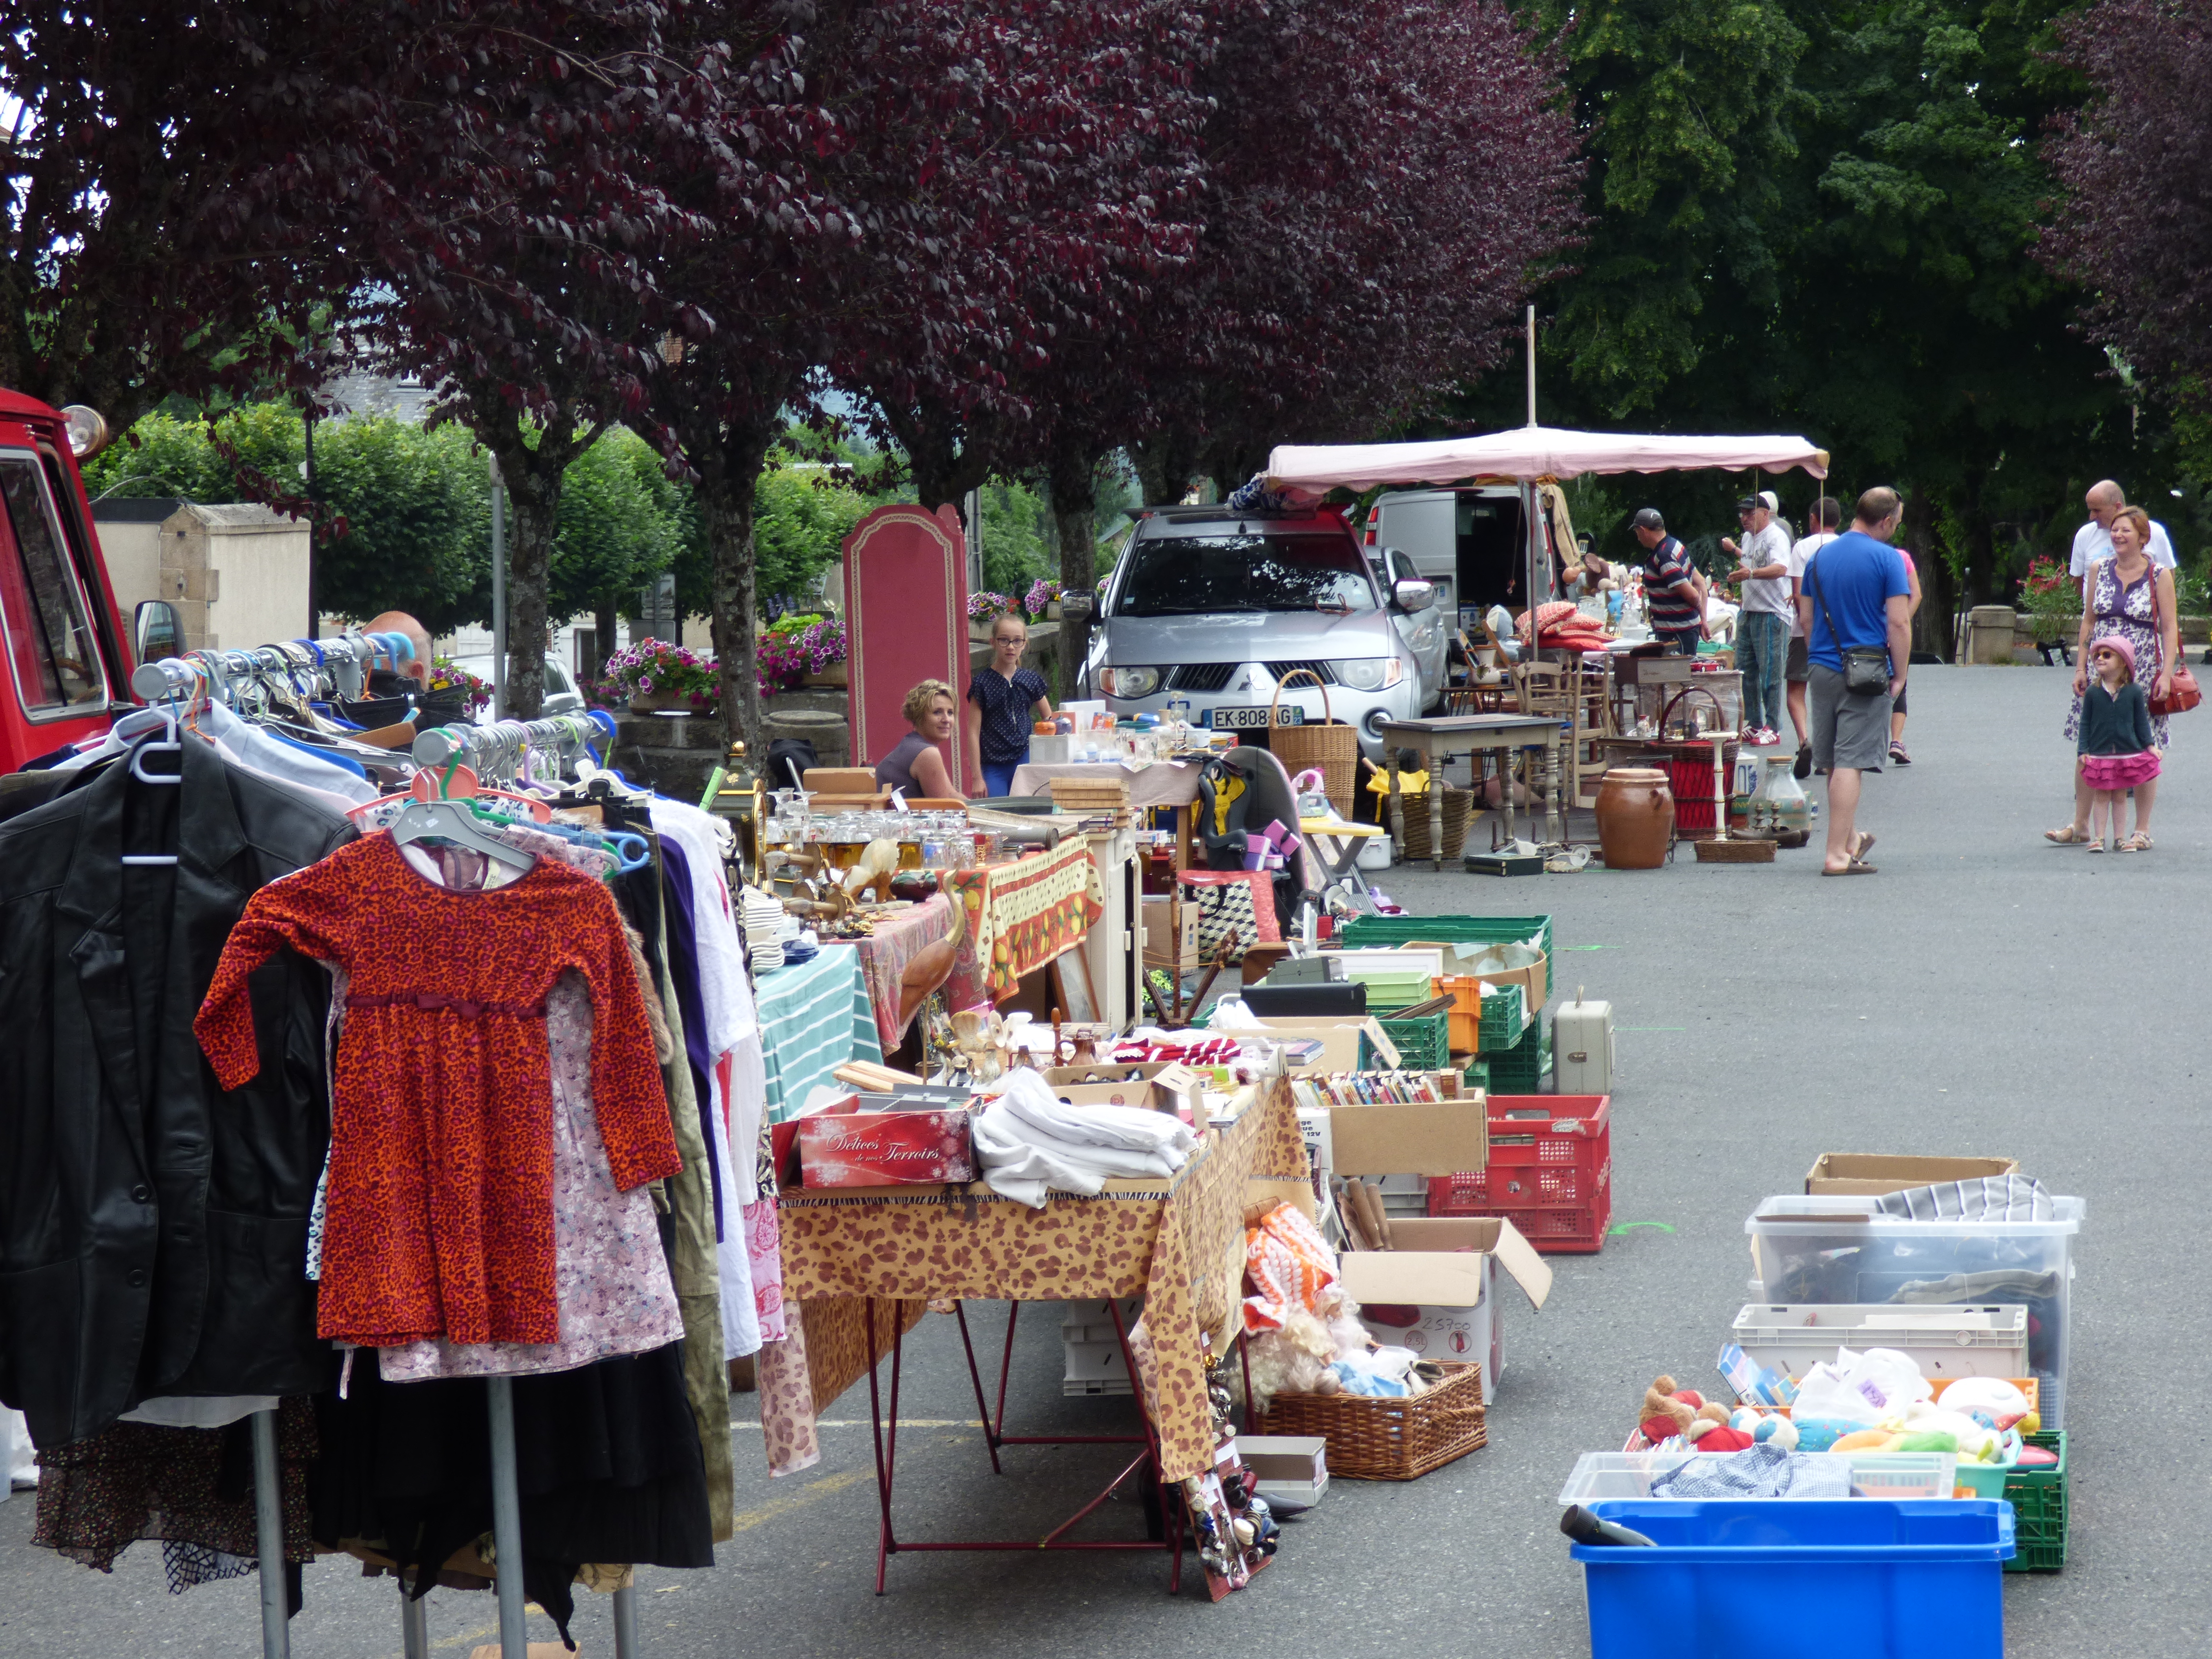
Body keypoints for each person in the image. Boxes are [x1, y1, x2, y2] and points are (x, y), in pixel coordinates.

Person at [2047, 506, 2177, 850]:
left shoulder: (2159, 575)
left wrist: (2165, 674)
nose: (2118, 536)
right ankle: (2080, 825)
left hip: (2142, 669)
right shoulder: (2099, 569)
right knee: (2089, 742)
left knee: (2143, 748)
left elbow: (2169, 626)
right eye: (2115, 531)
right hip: (2100, 667)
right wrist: (2080, 667)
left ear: (2143, 538)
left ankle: (2142, 830)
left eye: (2126, 532)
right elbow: (2088, 621)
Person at [1798, 487, 1911, 876]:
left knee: (1832, 762)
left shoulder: (1819, 557)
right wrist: (1901, 675)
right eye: (1896, 522)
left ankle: (1848, 840)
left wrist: (1820, 657)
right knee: (1851, 762)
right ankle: (1835, 855)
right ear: (1886, 521)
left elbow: (1807, 618)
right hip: (1865, 670)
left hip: (1822, 667)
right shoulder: (1888, 559)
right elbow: (1898, 622)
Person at [2075, 637, 2159, 853]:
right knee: (2102, 795)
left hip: (2125, 753)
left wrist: (2149, 746)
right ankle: (2099, 838)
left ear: (2123, 662)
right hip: (2100, 753)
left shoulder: (2134, 691)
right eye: (2097, 656)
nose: (2099, 659)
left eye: (2107, 655)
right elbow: (2085, 722)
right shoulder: (2093, 692)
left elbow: (2141, 722)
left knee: (2121, 796)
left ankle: (2120, 838)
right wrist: (2083, 751)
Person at [1722, 492, 1792, 745]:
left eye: (1750, 513)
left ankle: (1773, 726)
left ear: (1765, 514)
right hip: (1750, 610)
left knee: (1770, 672)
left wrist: (1750, 574)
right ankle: (1753, 722)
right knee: (1745, 670)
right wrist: (1737, 555)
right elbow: (1751, 562)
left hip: (1772, 612)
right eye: (1742, 513)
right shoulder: (1747, 538)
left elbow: (1781, 568)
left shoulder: (1776, 536)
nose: (1744, 518)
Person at [962, 613, 1053, 796]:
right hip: (993, 765)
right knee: (999, 814)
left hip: (1025, 759)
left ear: (1025, 644)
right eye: (1004, 640)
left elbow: (1050, 720)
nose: (1011, 647)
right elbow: (973, 731)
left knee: (1027, 812)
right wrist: (977, 778)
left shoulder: (1030, 679)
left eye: (1017, 641)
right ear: (993, 642)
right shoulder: (982, 683)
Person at [1785, 497, 1842, 777]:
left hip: (1805, 629)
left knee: (1797, 691)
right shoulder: (1846, 546)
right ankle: (1830, 752)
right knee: (1832, 692)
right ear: (1839, 521)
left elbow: (1799, 594)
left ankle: (1805, 739)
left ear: (1812, 519)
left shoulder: (1802, 547)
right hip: (1840, 631)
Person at [2071, 479, 2176, 602]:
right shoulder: (2085, 535)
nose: (2092, 517)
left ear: (2118, 507)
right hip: (2097, 619)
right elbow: (2078, 579)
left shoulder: (2152, 532)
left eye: (2097, 510)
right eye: (2091, 510)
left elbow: (2168, 576)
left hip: (2143, 618)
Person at [1631, 508, 1706, 656]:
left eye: (1637, 532)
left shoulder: (1664, 557)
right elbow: (1701, 581)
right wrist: (1702, 620)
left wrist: (1699, 608)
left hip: (1677, 634)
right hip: (1683, 630)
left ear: (1643, 530)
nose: (1638, 537)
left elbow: (1692, 595)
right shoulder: (1675, 545)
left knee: (1677, 677)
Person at [875, 679, 959, 800]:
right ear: (920, 716)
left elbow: (952, 794)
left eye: (950, 713)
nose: (947, 720)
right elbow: (944, 809)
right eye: (937, 712)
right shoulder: (927, 753)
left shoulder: (914, 744)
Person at [1887, 550, 1925, 764]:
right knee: (1899, 681)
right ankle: (1897, 740)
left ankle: (1868, 744)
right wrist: (1901, 618)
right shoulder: (1902, 557)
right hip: (1897, 630)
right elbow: (1917, 595)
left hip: (1868, 630)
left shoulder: (1861, 557)